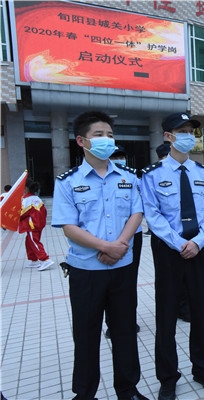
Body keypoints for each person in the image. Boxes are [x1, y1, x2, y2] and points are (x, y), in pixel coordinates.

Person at [51, 111, 147, 400]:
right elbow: (68, 226)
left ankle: (128, 390)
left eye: (110, 134)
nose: (107, 140)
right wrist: (106, 247)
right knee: (86, 334)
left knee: (125, 331)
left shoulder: (129, 177)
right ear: (81, 141)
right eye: (99, 135)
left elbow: (136, 213)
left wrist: (120, 244)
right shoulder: (67, 181)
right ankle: (85, 393)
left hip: (122, 268)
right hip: (86, 272)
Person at [140, 112, 204, 399]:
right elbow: (152, 215)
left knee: (201, 312)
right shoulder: (152, 175)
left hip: (198, 249)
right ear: (168, 136)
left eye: (190, 131)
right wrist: (179, 243)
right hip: (168, 251)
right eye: (182, 131)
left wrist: (197, 242)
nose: (188, 136)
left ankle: (203, 368)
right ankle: (168, 377)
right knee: (166, 315)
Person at [105, 145, 142, 338]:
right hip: (107, 238)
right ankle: (111, 323)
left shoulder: (132, 177)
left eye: (121, 156)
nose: (119, 160)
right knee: (107, 282)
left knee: (129, 280)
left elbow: (139, 208)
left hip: (133, 235)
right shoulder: (100, 179)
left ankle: (129, 319)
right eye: (115, 157)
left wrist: (124, 240)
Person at [19, 179, 54, 271]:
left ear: (25, 188)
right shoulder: (36, 198)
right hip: (38, 224)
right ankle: (34, 260)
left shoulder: (27, 199)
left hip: (32, 225)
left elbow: (21, 213)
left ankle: (45, 259)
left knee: (33, 242)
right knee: (29, 241)